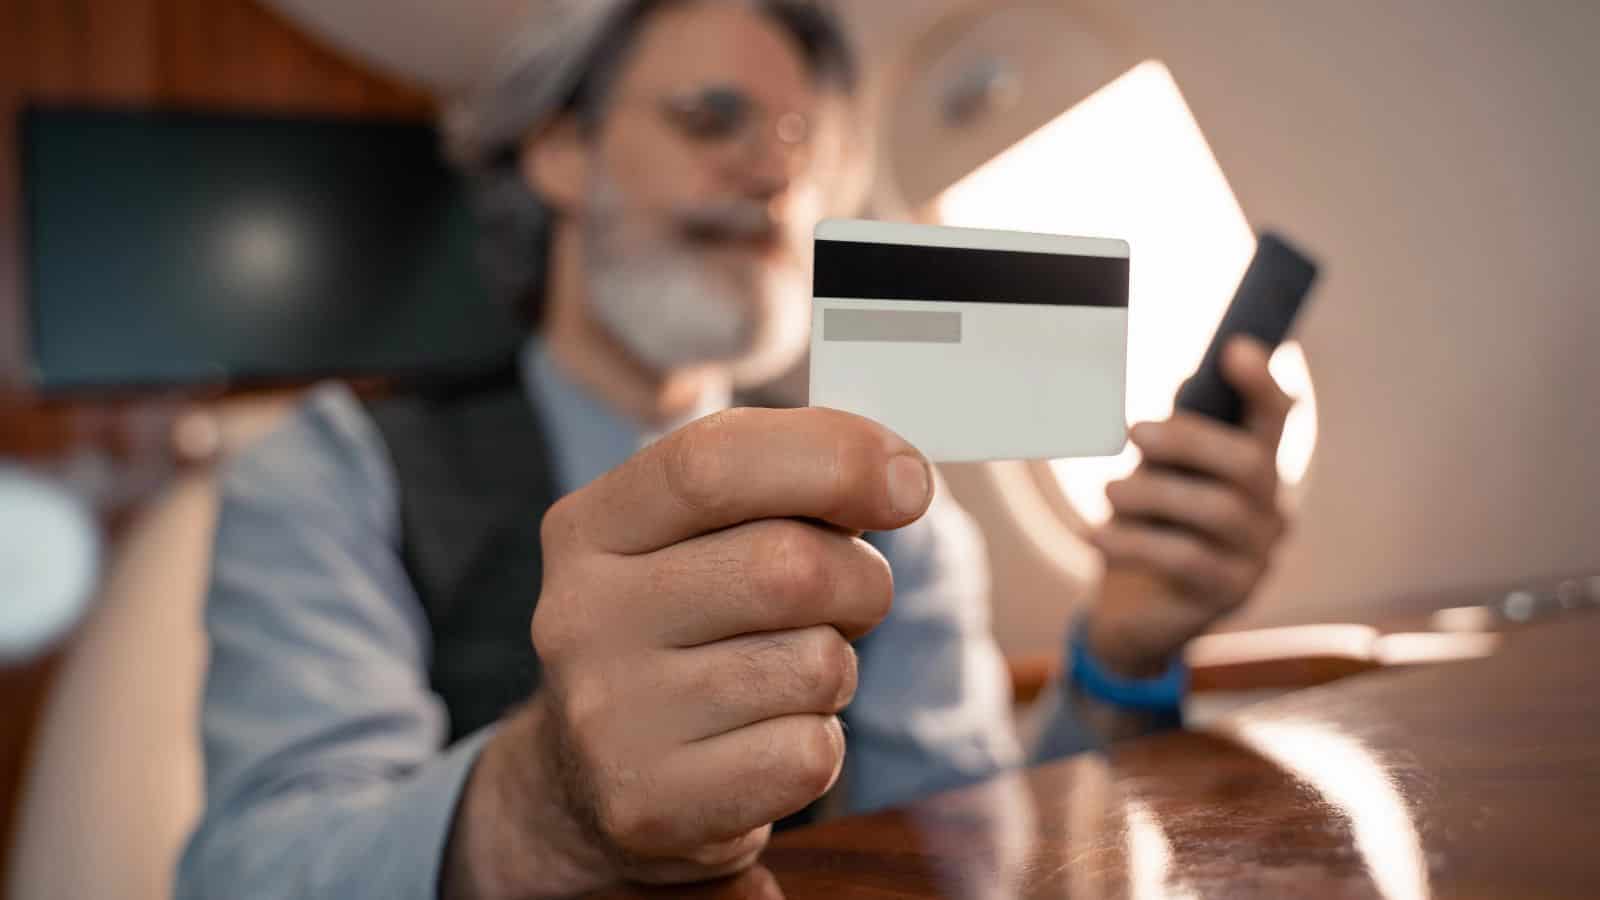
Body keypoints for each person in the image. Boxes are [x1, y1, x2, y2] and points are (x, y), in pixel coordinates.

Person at [177, 1, 1293, 897]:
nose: (773, 174)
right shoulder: (329, 469)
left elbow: (968, 859)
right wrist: (539, 808)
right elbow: (251, 870)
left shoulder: (901, 511)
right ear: (563, 151)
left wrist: (1128, 655)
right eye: (713, 119)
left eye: (801, 142)